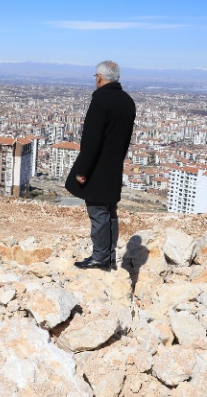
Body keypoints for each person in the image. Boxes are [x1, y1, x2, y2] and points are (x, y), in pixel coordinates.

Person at [66, 60, 135, 270]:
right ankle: (109, 256)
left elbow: (91, 139)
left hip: (97, 167)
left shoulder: (101, 100)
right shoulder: (128, 101)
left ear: (99, 77)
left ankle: (99, 258)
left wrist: (82, 170)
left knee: (97, 212)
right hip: (114, 166)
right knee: (110, 213)